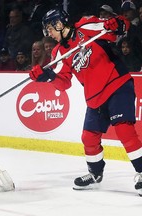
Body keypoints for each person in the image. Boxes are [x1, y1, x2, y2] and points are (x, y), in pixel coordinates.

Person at [29, 8, 142, 196]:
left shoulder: (85, 26)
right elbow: (63, 82)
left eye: (50, 29)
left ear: (59, 24)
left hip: (117, 85)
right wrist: (47, 77)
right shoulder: (59, 52)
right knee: (88, 137)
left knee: (124, 130)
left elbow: (119, 28)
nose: (48, 34)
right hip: (95, 97)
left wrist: (118, 23)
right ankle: (95, 173)